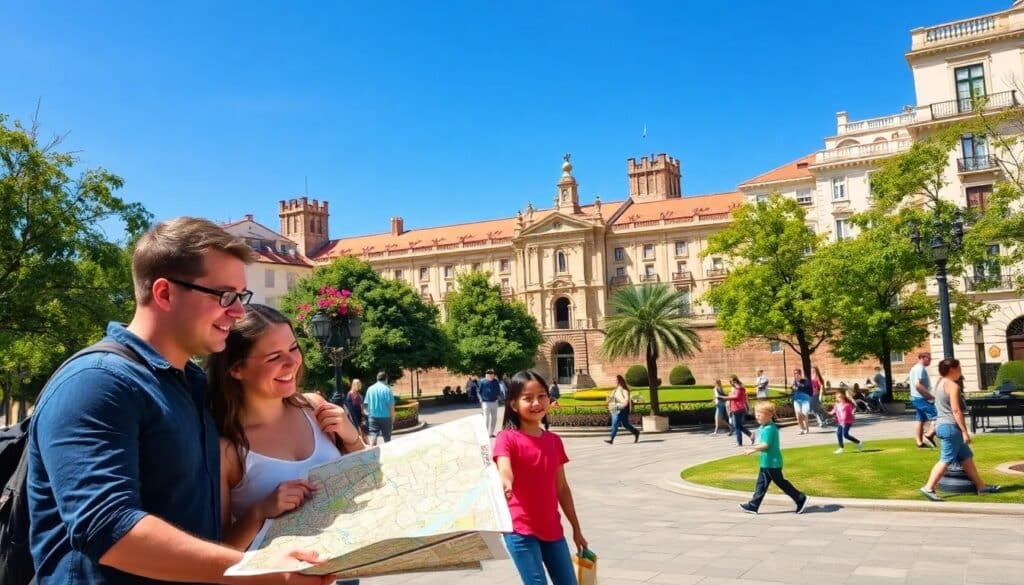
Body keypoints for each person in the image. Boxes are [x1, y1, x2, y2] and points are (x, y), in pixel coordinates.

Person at [26, 217, 328, 584]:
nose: (237, 312)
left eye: (241, 297)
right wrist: (256, 569)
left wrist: (307, 405)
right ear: (165, 293)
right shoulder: (96, 382)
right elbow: (107, 528)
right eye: (225, 296)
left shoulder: (191, 384)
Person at [207, 304, 364, 584]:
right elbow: (219, 553)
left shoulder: (316, 409)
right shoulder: (227, 449)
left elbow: (368, 481)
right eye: (274, 357)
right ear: (236, 369)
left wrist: (352, 439)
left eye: (293, 348)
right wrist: (260, 511)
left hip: (345, 571)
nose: (292, 363)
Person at [493, 370, 587, 585]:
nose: (537, 403)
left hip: (552, 528)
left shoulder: (554, 441)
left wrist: (577, 529)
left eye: (542, 396)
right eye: (528, 398)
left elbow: (562, 488)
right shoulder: (506, 438)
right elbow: (504, 467)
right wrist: (506, 481)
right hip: (520, 530)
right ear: (514, 405)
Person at [920, 358, 1001, 501]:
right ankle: (929, 487)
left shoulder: (939, 382)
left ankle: (981, 487)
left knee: (966, 458)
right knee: (945, 460)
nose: (961, 370)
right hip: (951, 427)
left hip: (942, 425)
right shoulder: (952, 386)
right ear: (952, 369)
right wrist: (964, 431)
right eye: (959, 367)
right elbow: (956, 410)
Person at [739, 401, 810, 515]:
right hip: (767, 462)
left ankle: (800, 498)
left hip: (772, 463)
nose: (757, 416)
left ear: (769, 415)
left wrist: (752, 450)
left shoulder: (769, 429)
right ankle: (753, 505)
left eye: (760, 414)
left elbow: (766, 445)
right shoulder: (765, 427)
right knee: (761, 485)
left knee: (781, 483)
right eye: (756, 413)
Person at [909, 352, 938, 448]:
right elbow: (918, 385)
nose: (930, 361)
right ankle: (929, 435)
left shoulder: (914, 368)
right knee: (937, 415)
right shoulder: (919, 369)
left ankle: (919, 442)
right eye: (929, 359)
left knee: (920, 419)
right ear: (923, 358)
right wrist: (929, 396)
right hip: (921, 398)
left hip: (916, 398)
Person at [604, 375, 640, 444]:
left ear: (620, 381)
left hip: (622, 409)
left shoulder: (624, 390)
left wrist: (624, 405)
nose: (615, 381)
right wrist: (609, 400)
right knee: (625, 424)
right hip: (615, 408)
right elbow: (610, 399)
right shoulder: (614, 390)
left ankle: (611, 439)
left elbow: (626, 400)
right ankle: (636, 432)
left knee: (615, 423)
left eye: (616, 380)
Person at [364, 371, 395, 445]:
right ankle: (387, 452)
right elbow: (391, 405)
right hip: (386, 417)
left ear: (377, 378)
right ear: (386, 379)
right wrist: (393, 417)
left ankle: (372, 449)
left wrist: (368, 413)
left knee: (373, 435)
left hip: (373, 416)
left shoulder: (370, 389)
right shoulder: (387, 389)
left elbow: (366, 404)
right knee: (387, 437)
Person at [721, 375, 753, 446]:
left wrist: (723, 397)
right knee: (738, 425)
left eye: (732, 381)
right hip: (737, 408)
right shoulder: (738, 388)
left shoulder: (738, 388)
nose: (731, 383)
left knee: (737, 426)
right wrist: (729, 408)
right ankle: (750, 435)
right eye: (730, 381)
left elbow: (735, 397)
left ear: (735, 381)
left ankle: (739, 442)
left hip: (737, 408)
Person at [829, 390, 863, 454]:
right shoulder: (836, 405)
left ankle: (859, 442)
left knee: (845, 435)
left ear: (843, 396)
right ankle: (841, 448)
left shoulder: (848, 405)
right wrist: (824, 412)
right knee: (839, 433)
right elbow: (832, 412)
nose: (839, 398)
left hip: (848, 421)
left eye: (841, 396)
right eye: (838, 397)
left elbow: (852, 410)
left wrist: (853, 413)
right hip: (840, 422)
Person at [479, 369, 503, 438]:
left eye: (491, 373)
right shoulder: (482, 381)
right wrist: (480, 399)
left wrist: (498, 397)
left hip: (494, 402)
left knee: (494, 418)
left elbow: (498, 390)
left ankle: (491, 433)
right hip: (485, 402)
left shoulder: (495, 381)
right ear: (486, 374)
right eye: (488, 373)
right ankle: (485, 433)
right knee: (486, 418)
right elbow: (479, 391)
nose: (490, 374)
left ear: (493, 374)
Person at [791, 368, 812, 435]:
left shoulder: (805, 381)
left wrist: (799, 386)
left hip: (805, 400)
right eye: (794, 373)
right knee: (798, 415)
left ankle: (807, 429)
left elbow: (807, 388)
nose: (795, 375)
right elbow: (793, 391)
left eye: (797, 373)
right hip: (796, 400)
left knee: (804, 414)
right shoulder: (794, 382)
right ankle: (802, 429)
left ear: (800, 374)